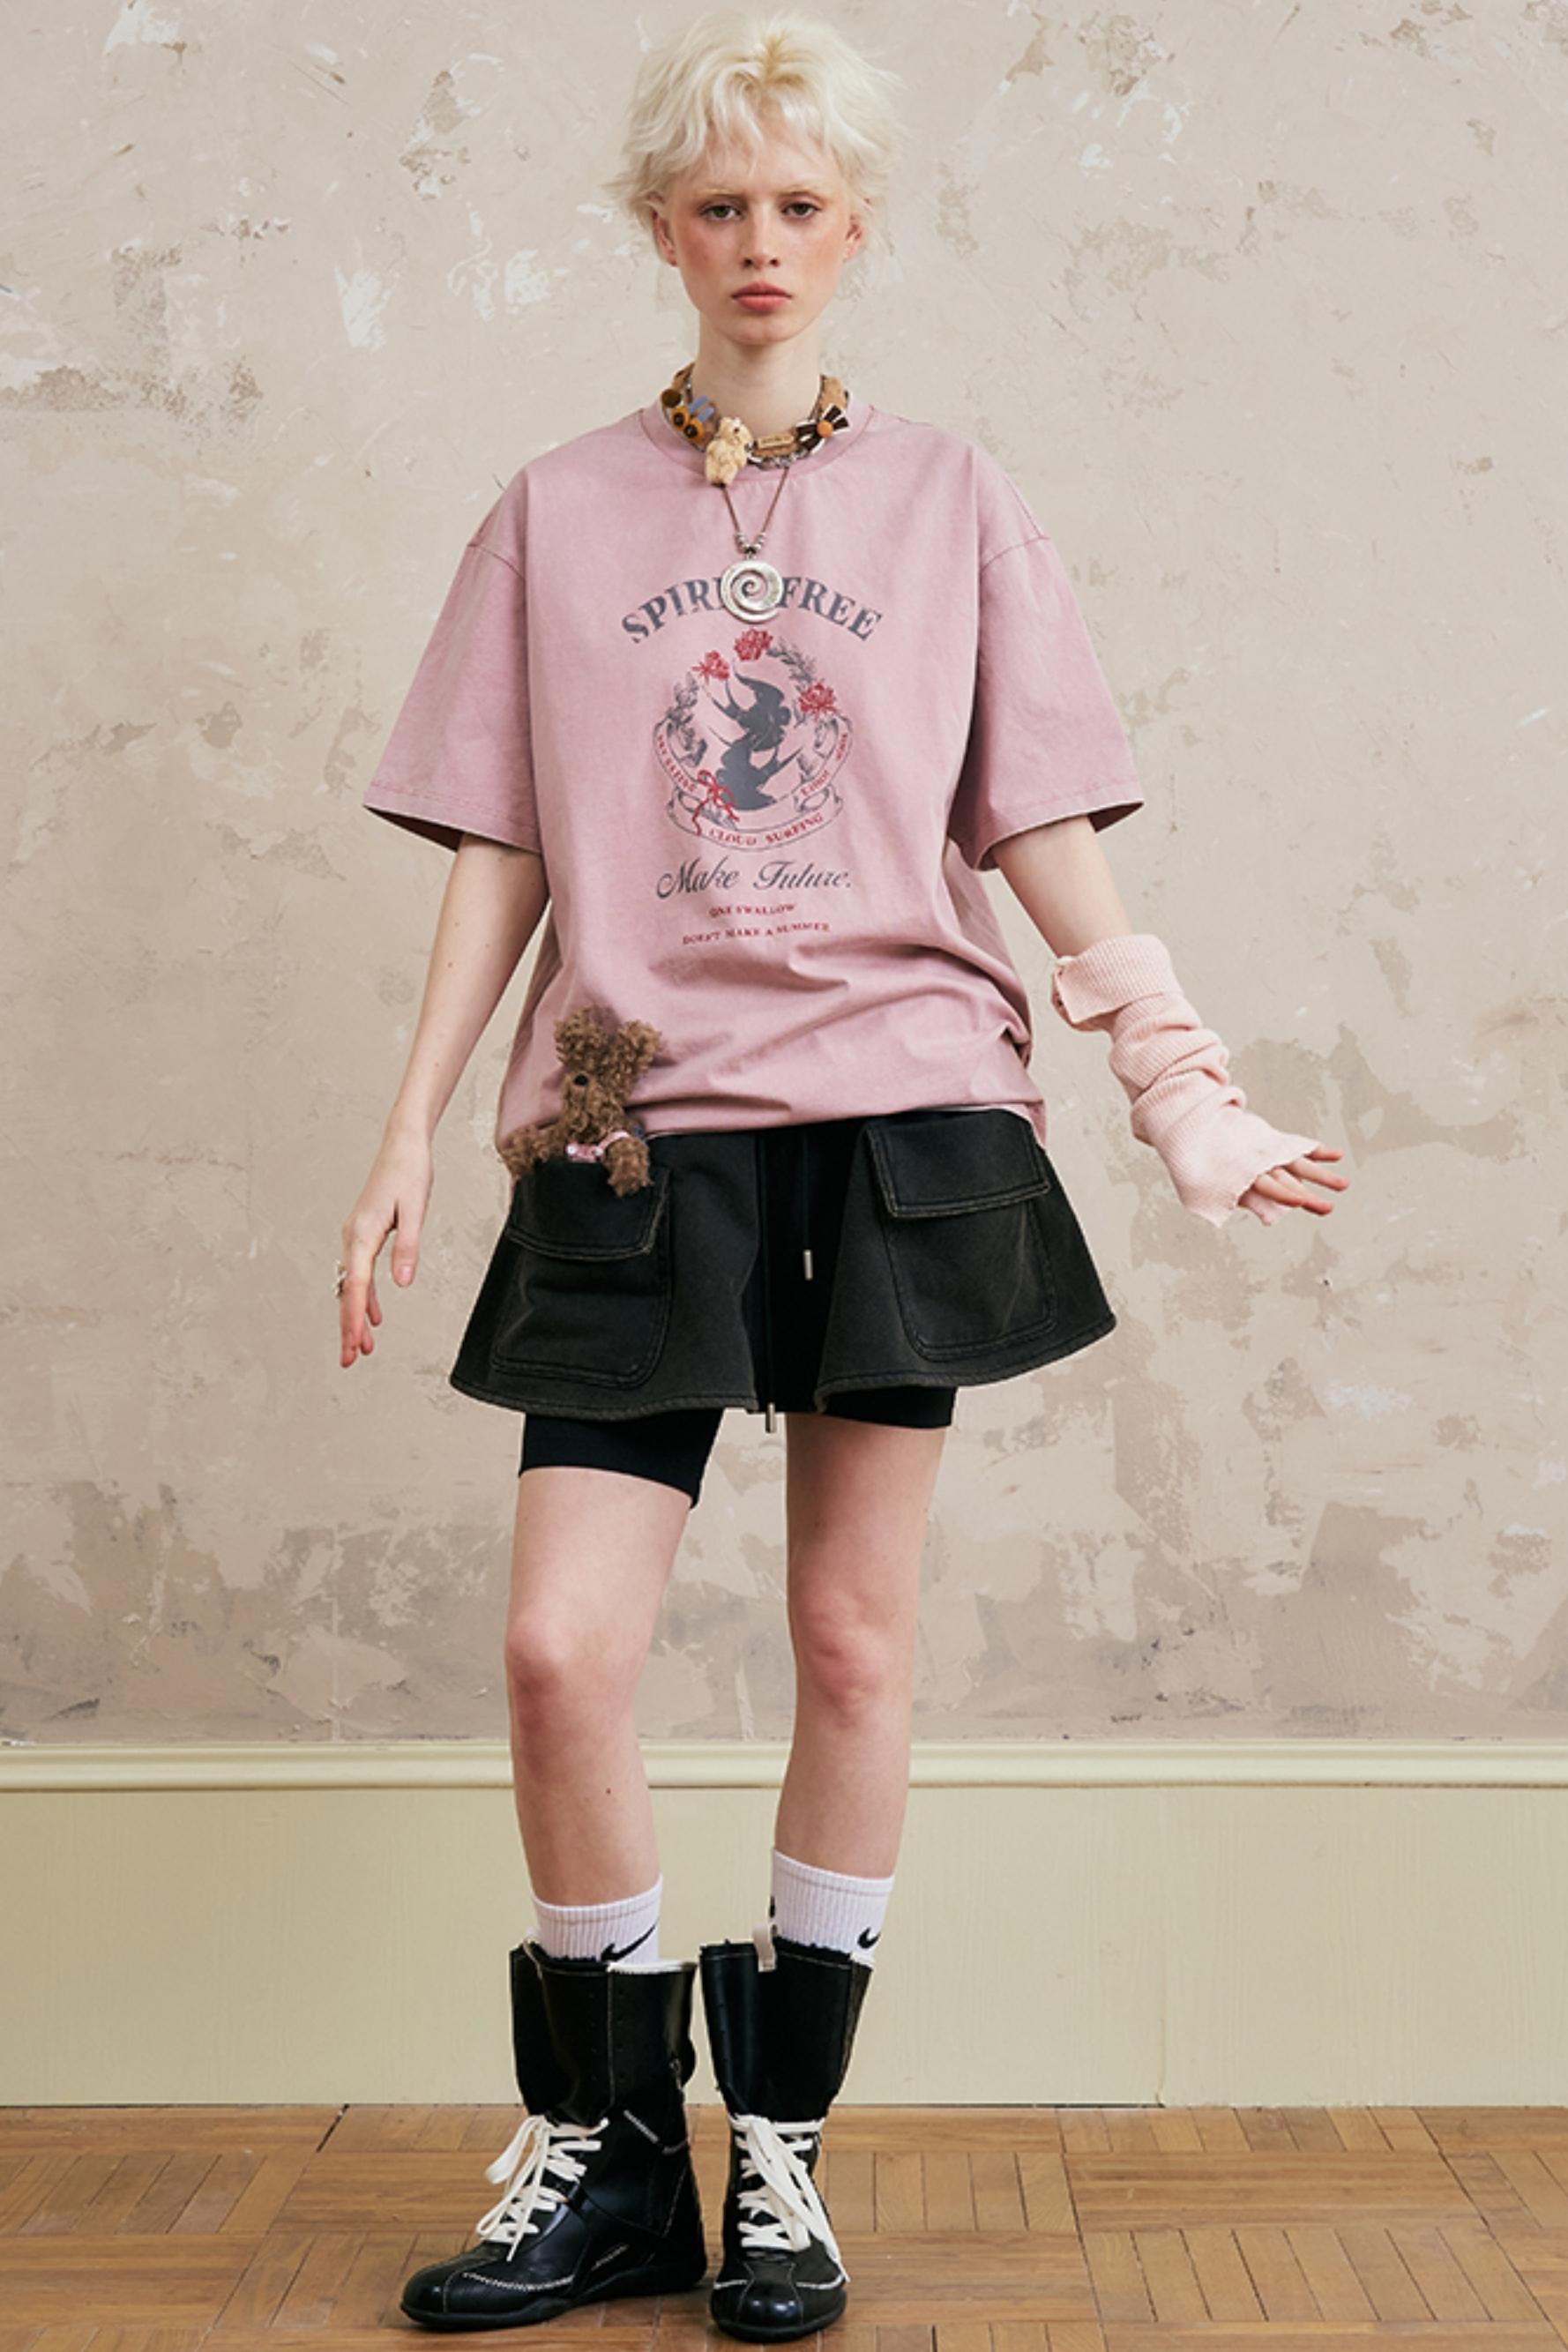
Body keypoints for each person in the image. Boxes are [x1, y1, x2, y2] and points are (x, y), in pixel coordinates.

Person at [337, 9, 1349, 2337]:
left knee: (849, 1640)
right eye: (718, 207)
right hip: (632, 1120)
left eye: (797, 205)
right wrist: (404, 1127)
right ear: (658, 231)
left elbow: (1035, 817)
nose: (760, 243)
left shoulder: (954, 497)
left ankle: (778, 2153)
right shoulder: (556, 510)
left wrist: (1178, 1077)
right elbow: (502, 842)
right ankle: (615, 2156)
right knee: (558, 1648)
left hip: (901, 1114)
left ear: (857, 228)